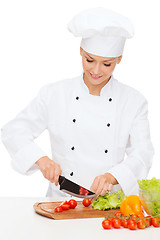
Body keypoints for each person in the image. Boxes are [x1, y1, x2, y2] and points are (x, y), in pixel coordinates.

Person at [1, 8, 154, 198]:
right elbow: (14, 131)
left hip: (108, 203)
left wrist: (113, 176)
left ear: (119, 60)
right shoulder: (54, 94)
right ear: (81, 51)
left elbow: (143, 153)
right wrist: (41, 160)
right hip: (61, 201)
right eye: (90, 60)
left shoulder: (133, 101)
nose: (96, 70)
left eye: (107, 64)